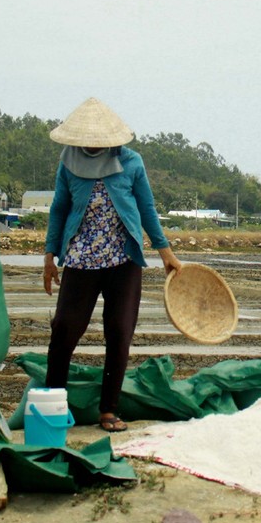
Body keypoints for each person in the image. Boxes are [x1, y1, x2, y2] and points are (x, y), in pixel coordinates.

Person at [43, 97, 181, 433]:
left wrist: (165, 253)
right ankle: (51, 407)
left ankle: (109, 410)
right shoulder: (68, 163)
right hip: (80, 258)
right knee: (64, 330)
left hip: (123, 259)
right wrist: (49, 257)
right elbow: (59, 209)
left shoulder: (131, 162)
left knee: (119, 332)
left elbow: (146, 209)